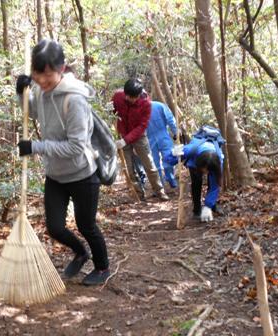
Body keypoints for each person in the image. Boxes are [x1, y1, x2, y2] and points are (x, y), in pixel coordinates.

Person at [15, 39, 110, 286]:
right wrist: (21, 93)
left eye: (49, 75)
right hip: (56, 175)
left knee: (86, 225)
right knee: (55, 227)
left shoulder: (74, 100)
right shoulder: (40, 89)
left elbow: (77, 146)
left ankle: (102, 267)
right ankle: (81, 253)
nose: (43, 81)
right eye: (38, 75)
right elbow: (34, 112)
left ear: (62, 68)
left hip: (82, 174)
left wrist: (36, 147)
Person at [112, 79, 168, 201]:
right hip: (122, 134)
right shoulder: (118, 96)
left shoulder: (146, 104)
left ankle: (159, 191)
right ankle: (138, 195)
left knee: (149, 164)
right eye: (127, 96)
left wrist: (126, 140)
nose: (128, 99)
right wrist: (110, 109)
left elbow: (142, 126)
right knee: (129, 167)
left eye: (132, 97)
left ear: (138, 95)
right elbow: (113, 111)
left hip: (139, 136)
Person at [165, 133, 224, 222]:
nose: (206, 173)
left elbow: (215, 187)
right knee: (196, 183)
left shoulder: (218, 161)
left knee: (212, 183)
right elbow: (167, 160)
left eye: (208, 171)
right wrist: (173, 153)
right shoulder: (190, 150)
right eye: (205, 170)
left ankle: (211, 206)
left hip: (212, 162)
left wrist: (207, 207)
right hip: (195, 161)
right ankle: (197, 209)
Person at [146, 101, 178, 188]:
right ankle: (161, 186)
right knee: (155, 165)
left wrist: (176, 132)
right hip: (149, 139)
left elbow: (170, 119)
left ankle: (170, 178)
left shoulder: (159, 105)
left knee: (169, 159)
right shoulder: (139, 110)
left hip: (163, 135)